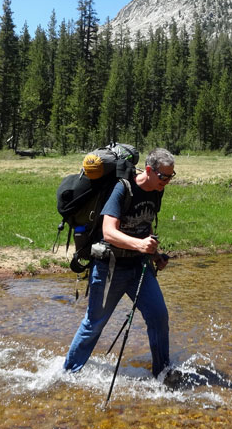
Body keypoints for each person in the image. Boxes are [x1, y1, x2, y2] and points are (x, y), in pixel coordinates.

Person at [64, 148, 175, 378]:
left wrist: (155, 254)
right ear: (148, 170)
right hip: (109, 268)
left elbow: (146, 224)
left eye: (171, 176)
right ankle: (68, 373)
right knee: (94, 324)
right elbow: (108, 232)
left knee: (159, 317)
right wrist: (139, 245)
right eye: (164, 176)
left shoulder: (156, 191)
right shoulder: (123, 189)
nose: (167, 181)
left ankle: (163, 374)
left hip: (139, 267)